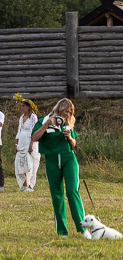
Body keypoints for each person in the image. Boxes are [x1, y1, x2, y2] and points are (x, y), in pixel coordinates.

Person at [31, 98, 87, 238]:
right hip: (52, 160)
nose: (67, 114)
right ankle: (62, 232)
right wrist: (47, 124)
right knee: (57, 195)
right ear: (58, 108)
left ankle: (83, 229)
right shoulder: (43, 120)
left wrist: (69, 138)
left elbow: (74, 144)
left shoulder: (68, 122)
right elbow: (35, 137)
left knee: (72, 190)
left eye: (70, 112)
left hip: (69, 159)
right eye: (65, 111)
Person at [14, 97, 40, 192]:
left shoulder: (33, 117)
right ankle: (25, 184)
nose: (21, 108)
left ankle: (30, 185)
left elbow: (34, 131)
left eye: (23, 106)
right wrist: (16, 143)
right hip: (22, 141)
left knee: (31, 163)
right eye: (20, 106)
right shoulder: (21, 117)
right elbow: (19, 130)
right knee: (22, 163)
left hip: (29, 141)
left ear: (29, 107)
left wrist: (31, 144)